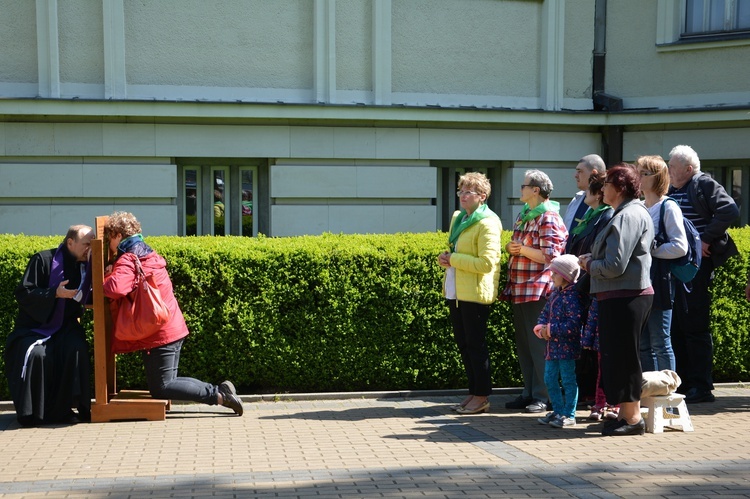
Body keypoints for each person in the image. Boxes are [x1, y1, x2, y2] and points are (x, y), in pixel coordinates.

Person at [102, 212, 244, 416]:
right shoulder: (147, 252)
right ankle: (220, 392)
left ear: (117, 235)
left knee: (162, 387)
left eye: (109, 239)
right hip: (169, 325)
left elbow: (114, 289)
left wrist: (106, 275)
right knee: (168, 381)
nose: (109, 246)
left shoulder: (129, 257)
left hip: (158, 332)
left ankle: (219, 395)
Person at [578, 164, 654, 436]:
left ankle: (633, 420)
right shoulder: (622, 213)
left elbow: (615, 265)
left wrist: (589, 265)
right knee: (616, 357)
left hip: (626, 296)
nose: (602, 188)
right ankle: (624, 414)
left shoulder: (629, 215)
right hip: (620, 295)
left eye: (607, 183)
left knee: (624, 358)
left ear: (619, 188)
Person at [667, 145, 739, 404]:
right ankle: (684, 381)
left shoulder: (703, 184)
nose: (669, 171)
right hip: (676, 266)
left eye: (673, 167)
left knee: (695, 324)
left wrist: (704, 240)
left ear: (688, 169)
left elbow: (729, 210)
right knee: (676, 324)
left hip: (696, 266)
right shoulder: (673, 189)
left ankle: (702, 386)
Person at [4, 225, 94, 425]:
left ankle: (70, 410)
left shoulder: (87, 266)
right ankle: (35, 414)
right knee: (37, 355)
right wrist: (54, 293)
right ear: (70, 243)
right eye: (87, 244)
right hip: (34, 327)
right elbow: (24, 293)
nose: (90, 248)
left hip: (66, 326)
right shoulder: (43, 260)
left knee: (76, 348)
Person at [503, 170, 568, 414]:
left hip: (538, 289)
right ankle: (528, 392)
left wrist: (521, 249)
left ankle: (544, 395)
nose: (520, 189)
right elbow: (519, 246)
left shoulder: (548, 216)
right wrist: (513, 247)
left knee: (538, 345)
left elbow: (552, 255)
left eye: (524, 185)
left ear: (536, 190)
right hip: (520, 288)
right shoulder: (525, 214)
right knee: (524, 345)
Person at [439, 172, 502, 415]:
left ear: (482, 197)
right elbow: (455, 250)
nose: (462, 196)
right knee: (464, 344)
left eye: (468, 192)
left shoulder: (487, 223)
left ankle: (482, 395)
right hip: (457, 290)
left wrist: (454, 259)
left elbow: (487, 263)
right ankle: (474, 391)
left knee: (476, 345)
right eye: (460, 191)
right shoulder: (460, 218)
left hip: (475, 293)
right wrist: (446, 258)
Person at [565, 171, 612, 405]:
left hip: (589, 283)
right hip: (578, 281)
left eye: (590, 190)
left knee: (592, 342)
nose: (585, 194)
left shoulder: (606, 215)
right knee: (583, 340)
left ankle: (592, 393)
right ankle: (584, 389)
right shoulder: (592, 214)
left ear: (598, 194)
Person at [637, 155, 688, 372]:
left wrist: (651, 250)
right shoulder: (638, 207)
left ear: (657, 177)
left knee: (660, 341)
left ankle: (668, 396)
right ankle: (650, 395)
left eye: (643, 173)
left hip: (659, 282)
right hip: (638, 282)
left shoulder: (668, 207)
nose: (637, 177)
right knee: (643, 344)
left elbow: (680, 246)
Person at [534, 255, 585, 428]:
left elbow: (574, 324)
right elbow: (544, 313)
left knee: (568, 380)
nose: (551, 276)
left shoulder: (572, 297)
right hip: (552, 348)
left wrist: (550, 330)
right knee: (549, 378)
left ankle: (569, 414)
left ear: (564, 275)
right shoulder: (555, 294)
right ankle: (557, 411)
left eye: (554, 273)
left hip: (567, 348)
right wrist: (541, 328)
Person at [563, 154, 607, 232]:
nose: (575, 175)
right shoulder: (575, 200)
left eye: (580, 171)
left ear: (594, 173)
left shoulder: (605, 202)